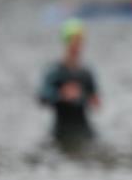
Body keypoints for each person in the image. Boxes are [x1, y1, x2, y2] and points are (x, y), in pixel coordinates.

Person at [37, 19, 101, 149]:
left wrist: (85, 97)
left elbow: (95, 101)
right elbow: (42, 97)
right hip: (61, 131)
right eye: (73, 41)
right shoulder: (55, 71)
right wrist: (62, 94)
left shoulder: (85, 73)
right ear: (66, 42)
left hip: (84, 130)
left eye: (79, 41)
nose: (76, 46)